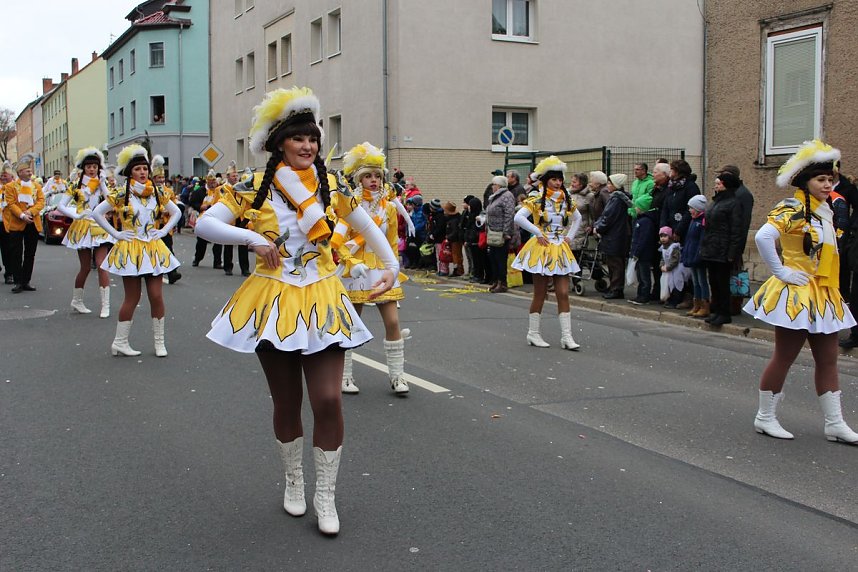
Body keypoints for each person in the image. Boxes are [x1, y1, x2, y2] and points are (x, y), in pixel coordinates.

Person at [194, 87, 397, 535]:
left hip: (322, 296)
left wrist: (392, 265)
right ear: (279, 142)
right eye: (298, 138)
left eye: (313, 138)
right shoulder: (252, 184)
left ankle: (326, 495)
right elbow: (205, 223)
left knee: (327, 399)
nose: (308, 146)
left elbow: (364, 224)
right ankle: (293, 480)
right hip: (272, 298)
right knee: (286, 402)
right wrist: (252, 239)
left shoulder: (332, 184)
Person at [744, 140, 858, 444]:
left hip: (823, 293)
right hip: (797, 293)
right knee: (785, 356)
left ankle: (835, 423)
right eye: (820, 179)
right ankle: (765, 417)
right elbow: (766, 237)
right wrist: (781, 271)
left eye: (830, 179)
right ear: (805, 182)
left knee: (829, 358)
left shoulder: (828, 209)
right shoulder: (793, 207)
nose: (827, 184)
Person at [332, 142, 410, 395]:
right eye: (368, 176)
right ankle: (344, 377)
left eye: (377, 175)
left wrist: (394, 270)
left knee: (393, 321)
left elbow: (391, 244)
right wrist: (350, 263)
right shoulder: (349, 205)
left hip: (382, 271)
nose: (374, 180)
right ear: (359, 178)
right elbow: (338, 241)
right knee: (351, 323)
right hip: (355, 270)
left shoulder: (388, 207)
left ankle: (397, 376)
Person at [90, 144, 182, 357]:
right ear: (130, 172)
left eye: (145, 169)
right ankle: (120, 342)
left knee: (157, 296)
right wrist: (117, 234)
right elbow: (97, 213)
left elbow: (176, 212)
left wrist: (164, 231)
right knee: (132, 297)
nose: (142, 173)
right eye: (138, 169)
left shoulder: (158, 193)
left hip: (153, 248)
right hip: (130, 249)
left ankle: (159, 342)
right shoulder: (121, 193)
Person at [511, 156, 582, 350]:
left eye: (560, 179)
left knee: (563, 293)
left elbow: (578, 218)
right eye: (554, 179)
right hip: (541, 248)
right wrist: (537, 232)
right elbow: (518, 217)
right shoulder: (536, 198)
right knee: (540, 294)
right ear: (545, 180)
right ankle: (533, 334)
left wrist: (570, 237)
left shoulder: (566, 199)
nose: (558, 183)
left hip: (560, 248)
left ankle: (567, 337)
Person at [55, 147, 115, 317]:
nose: (92, 169)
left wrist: (103, 183)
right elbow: (61, 205)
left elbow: (112, 200)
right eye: (89, 166)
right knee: (85, 267)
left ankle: (106, 305)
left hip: (99, 225)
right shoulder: (75, 184)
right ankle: (77, 300)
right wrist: (76, 214)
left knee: (102, 265)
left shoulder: (101, 182)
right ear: (84, 168)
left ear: (98, 168)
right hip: (82, 227)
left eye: (95, 166)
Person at [699, 172, 743, 326]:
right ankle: (716, 310)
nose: (716, 186)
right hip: (712, 247)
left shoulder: (733, 203)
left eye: (719, 183)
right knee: (714, 282)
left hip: (723, 249)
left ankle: (724, 312)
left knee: (723, 283)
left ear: (726, 185)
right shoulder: (716, 201)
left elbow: (736, 230)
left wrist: (732, 252)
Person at [3, 154, 44, 293]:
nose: (30, 172)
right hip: (17, 223)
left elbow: (40, 202)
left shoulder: (36, 186)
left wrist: (30, 212)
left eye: (30, 170)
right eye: (27, 170)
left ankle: (26, 281)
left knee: (30, 253)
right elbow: (11, 203)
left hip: (32, 222)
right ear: (20, 172)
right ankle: (18, 281)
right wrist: (21, 215)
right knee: (16, 253)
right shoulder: (10, 186)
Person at [593, 173, 631, 300]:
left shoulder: (617, 200)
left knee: (615, 264)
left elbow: (608, 217)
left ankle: (616, 289)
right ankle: (614, 286)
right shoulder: (616, 198)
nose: (608, 185)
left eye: (610, 183)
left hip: (615, 236)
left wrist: (598, 227)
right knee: (613, 263)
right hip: (615, 235)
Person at [150, 155, 183, 284]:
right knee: (153, 249)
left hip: (166, 225)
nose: (161, 180)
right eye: (159, 178)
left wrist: (169, 211)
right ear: (153, 178)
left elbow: (174, 204)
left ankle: (172, 272)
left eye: (163, 177)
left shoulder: (168, 191)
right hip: (154, 225)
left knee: (168, 249)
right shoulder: (149, 190)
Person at [217, 162, 251, 277]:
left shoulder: (241, 188)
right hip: (229, 218)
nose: (235, 178)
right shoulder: (222, 189)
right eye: (233, 176)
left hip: (240, 219)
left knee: (243, 244)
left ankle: (245, 268)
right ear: (228, 177)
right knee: (228, 244)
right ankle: (228, 267)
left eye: (236, 176)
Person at [485, 174, 516, 293]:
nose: (492, 186)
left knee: (500, 258)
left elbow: (509, 214)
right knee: (493, 257)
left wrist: (506, 231)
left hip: (501, 233)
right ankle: (495, 280)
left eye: (494, 184)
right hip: (493, 232)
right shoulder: (494, 197)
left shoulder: (506, 196)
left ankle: (502, 282)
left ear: (499, 185)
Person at [682, 194, 709, 317]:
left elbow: (702, 241)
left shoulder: (702, 221)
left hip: (699, 256)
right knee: (695, 282)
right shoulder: (693, 221)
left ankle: (704, 305)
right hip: (691, 255)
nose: (689, 210)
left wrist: (699, 254)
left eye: (691, 208)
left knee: (702, 281)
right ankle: (696, 304)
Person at [192, 170, 223, 268]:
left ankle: (217, 262)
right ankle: (197, 258)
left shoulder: (220, 191)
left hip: (217, 218)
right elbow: (193, 202)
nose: (213, 184)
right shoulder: (200, 191)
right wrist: (201, 207)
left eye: (214, 182)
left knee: (218, 241)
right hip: (204, 219)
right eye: (211, 183)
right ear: (207, 182)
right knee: (201, 242)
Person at [657, 226, 688, 308]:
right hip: (668, 270)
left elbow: (675, 260)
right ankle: (668, 299)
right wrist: (662, 265)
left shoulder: (674, 247)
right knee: (668, 285)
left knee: (676, 285)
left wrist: (668, 267)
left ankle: (675, 301)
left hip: (676, 270)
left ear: (670, 237)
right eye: (661, 236)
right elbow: (663, 258)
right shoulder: (663, 248)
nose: (663, 238)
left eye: (665, 236)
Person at [0, 161, 16, 284]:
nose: (3, 176)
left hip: (10, 223)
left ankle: (9, 272)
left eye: (5, 175)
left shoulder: (15, 187)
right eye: (2, 175)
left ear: (11, 176)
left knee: (8, 250)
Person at [462, 195, 485, 283]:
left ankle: (479, 275)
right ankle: (475, 274)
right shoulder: (470, 215)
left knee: (479, 260)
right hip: (470, 241)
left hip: (477, 241)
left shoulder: (479, 216)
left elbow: (478, 229)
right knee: (474, 259)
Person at [443, 201, 464, 277]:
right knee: (456, 255)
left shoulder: (454, 221)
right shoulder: (453, 219)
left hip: (455, 240)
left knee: (456, 255)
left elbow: (455, 231)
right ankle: (457, 269)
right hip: (453, 239)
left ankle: (458, 270)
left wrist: (448, 237)